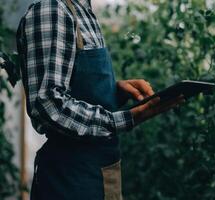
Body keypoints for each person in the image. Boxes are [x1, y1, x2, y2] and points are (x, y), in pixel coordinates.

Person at [16, 0, 185, 199]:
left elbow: (75, 86)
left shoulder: (82, 10)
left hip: (99, 172)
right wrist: (126, 118)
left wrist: (114, 92)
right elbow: (49, 105)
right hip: (69, 180)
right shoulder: (52, 9)